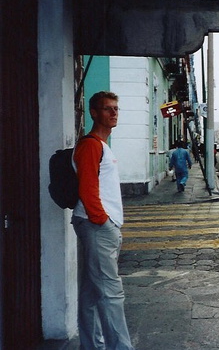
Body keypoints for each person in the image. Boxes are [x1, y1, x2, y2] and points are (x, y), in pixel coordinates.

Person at [72, 91, 134, 350]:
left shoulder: (101, 145)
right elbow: (88, 190)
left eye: (116, 108)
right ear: (94, 113)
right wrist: (103, 221)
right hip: (96, 225)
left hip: (96, 224)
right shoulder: (91, 145)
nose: (113, 113)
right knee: (111, 293)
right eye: (107, 109)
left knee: (90, 291)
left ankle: (92, 345)